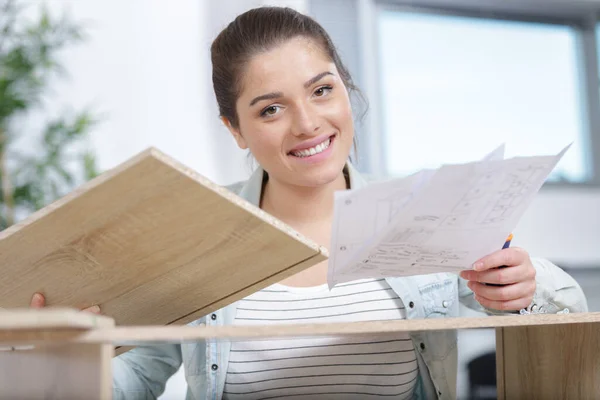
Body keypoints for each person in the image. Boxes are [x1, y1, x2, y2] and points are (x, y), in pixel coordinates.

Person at [30, 6, 587, 400]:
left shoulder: (425, 210)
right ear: (236, 129)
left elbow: (566, 322)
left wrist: (526, 286)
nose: (307, 124)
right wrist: (70, 359)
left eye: (322, 90)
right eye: (270, 109)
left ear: (346, 87)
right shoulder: (195, 237)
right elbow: (133, 384)